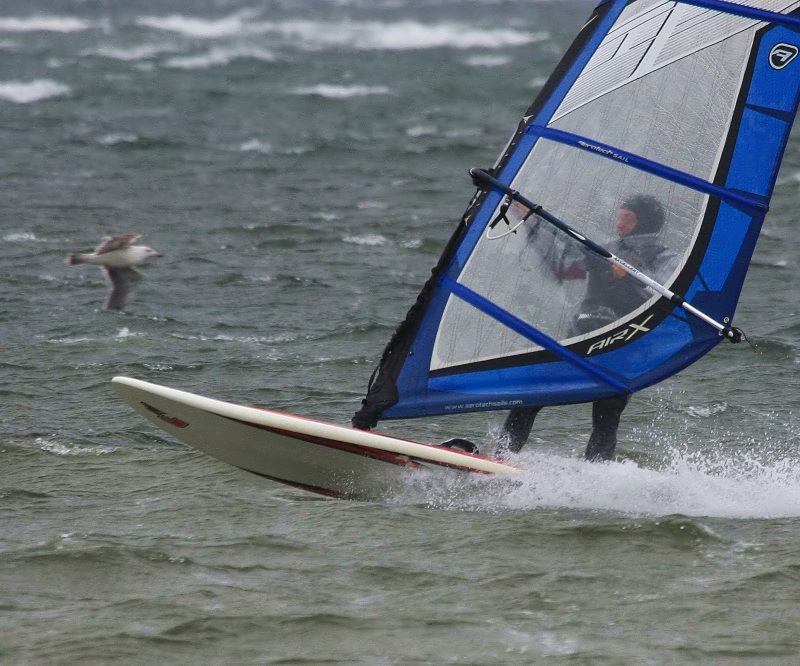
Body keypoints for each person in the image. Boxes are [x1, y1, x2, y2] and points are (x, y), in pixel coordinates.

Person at [493, 194, 678, 462]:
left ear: (645, 223)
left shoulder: (664, 256)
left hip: (622, 342)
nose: (620, 224)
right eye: (620, 216)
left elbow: (670, 289)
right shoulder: (606, 249)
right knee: (531, 396)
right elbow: (562, 263)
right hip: (582, 337)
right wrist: (530, 222)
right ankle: (500, 460)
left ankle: (597, 473)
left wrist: (636, 275)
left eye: (628, 219)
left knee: (607, 413)